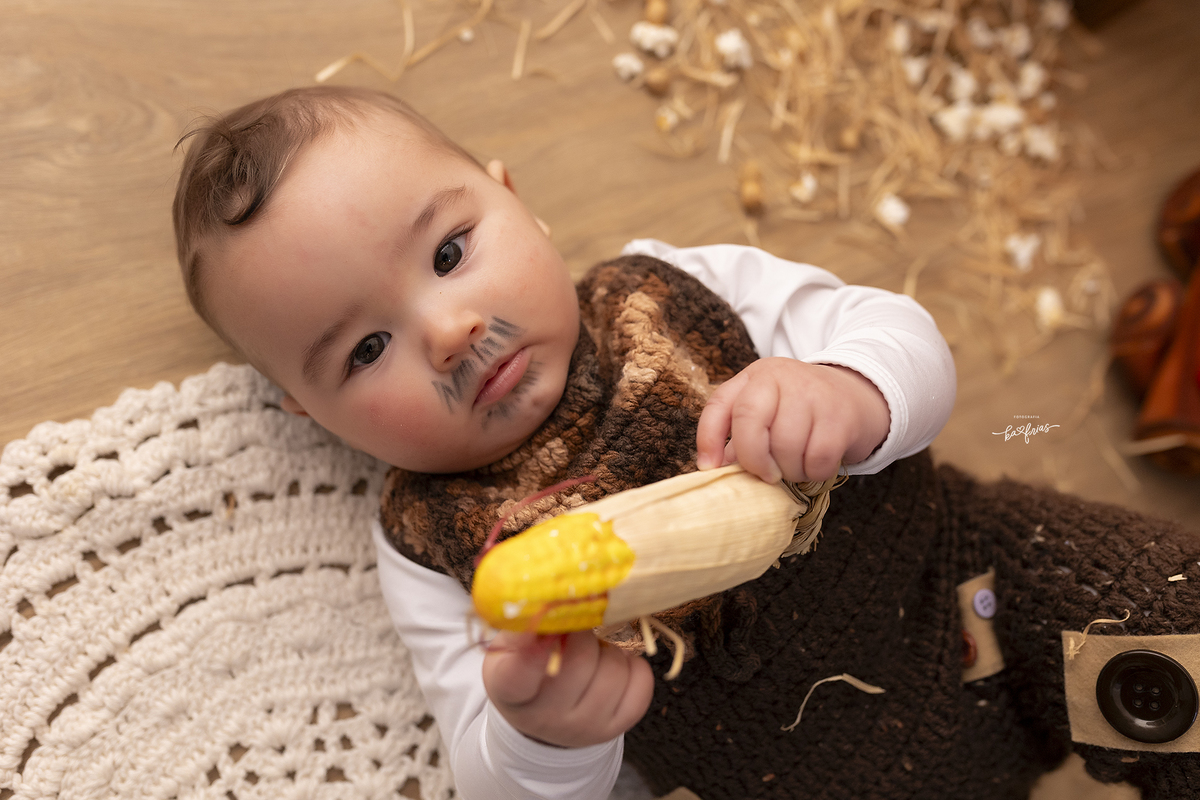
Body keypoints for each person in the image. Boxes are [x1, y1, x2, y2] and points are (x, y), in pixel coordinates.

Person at [174, 86, 1200, 800]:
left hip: (974, 585)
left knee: (1170, 609)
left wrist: (849, 391)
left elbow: (906, 341)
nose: (447, 332)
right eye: (363, 348)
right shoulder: (431, 538)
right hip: (785, 773)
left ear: (513, 194)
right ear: (306, 409)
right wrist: (542, 732)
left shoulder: (668, 291)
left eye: (449, 251)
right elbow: (495, 779)